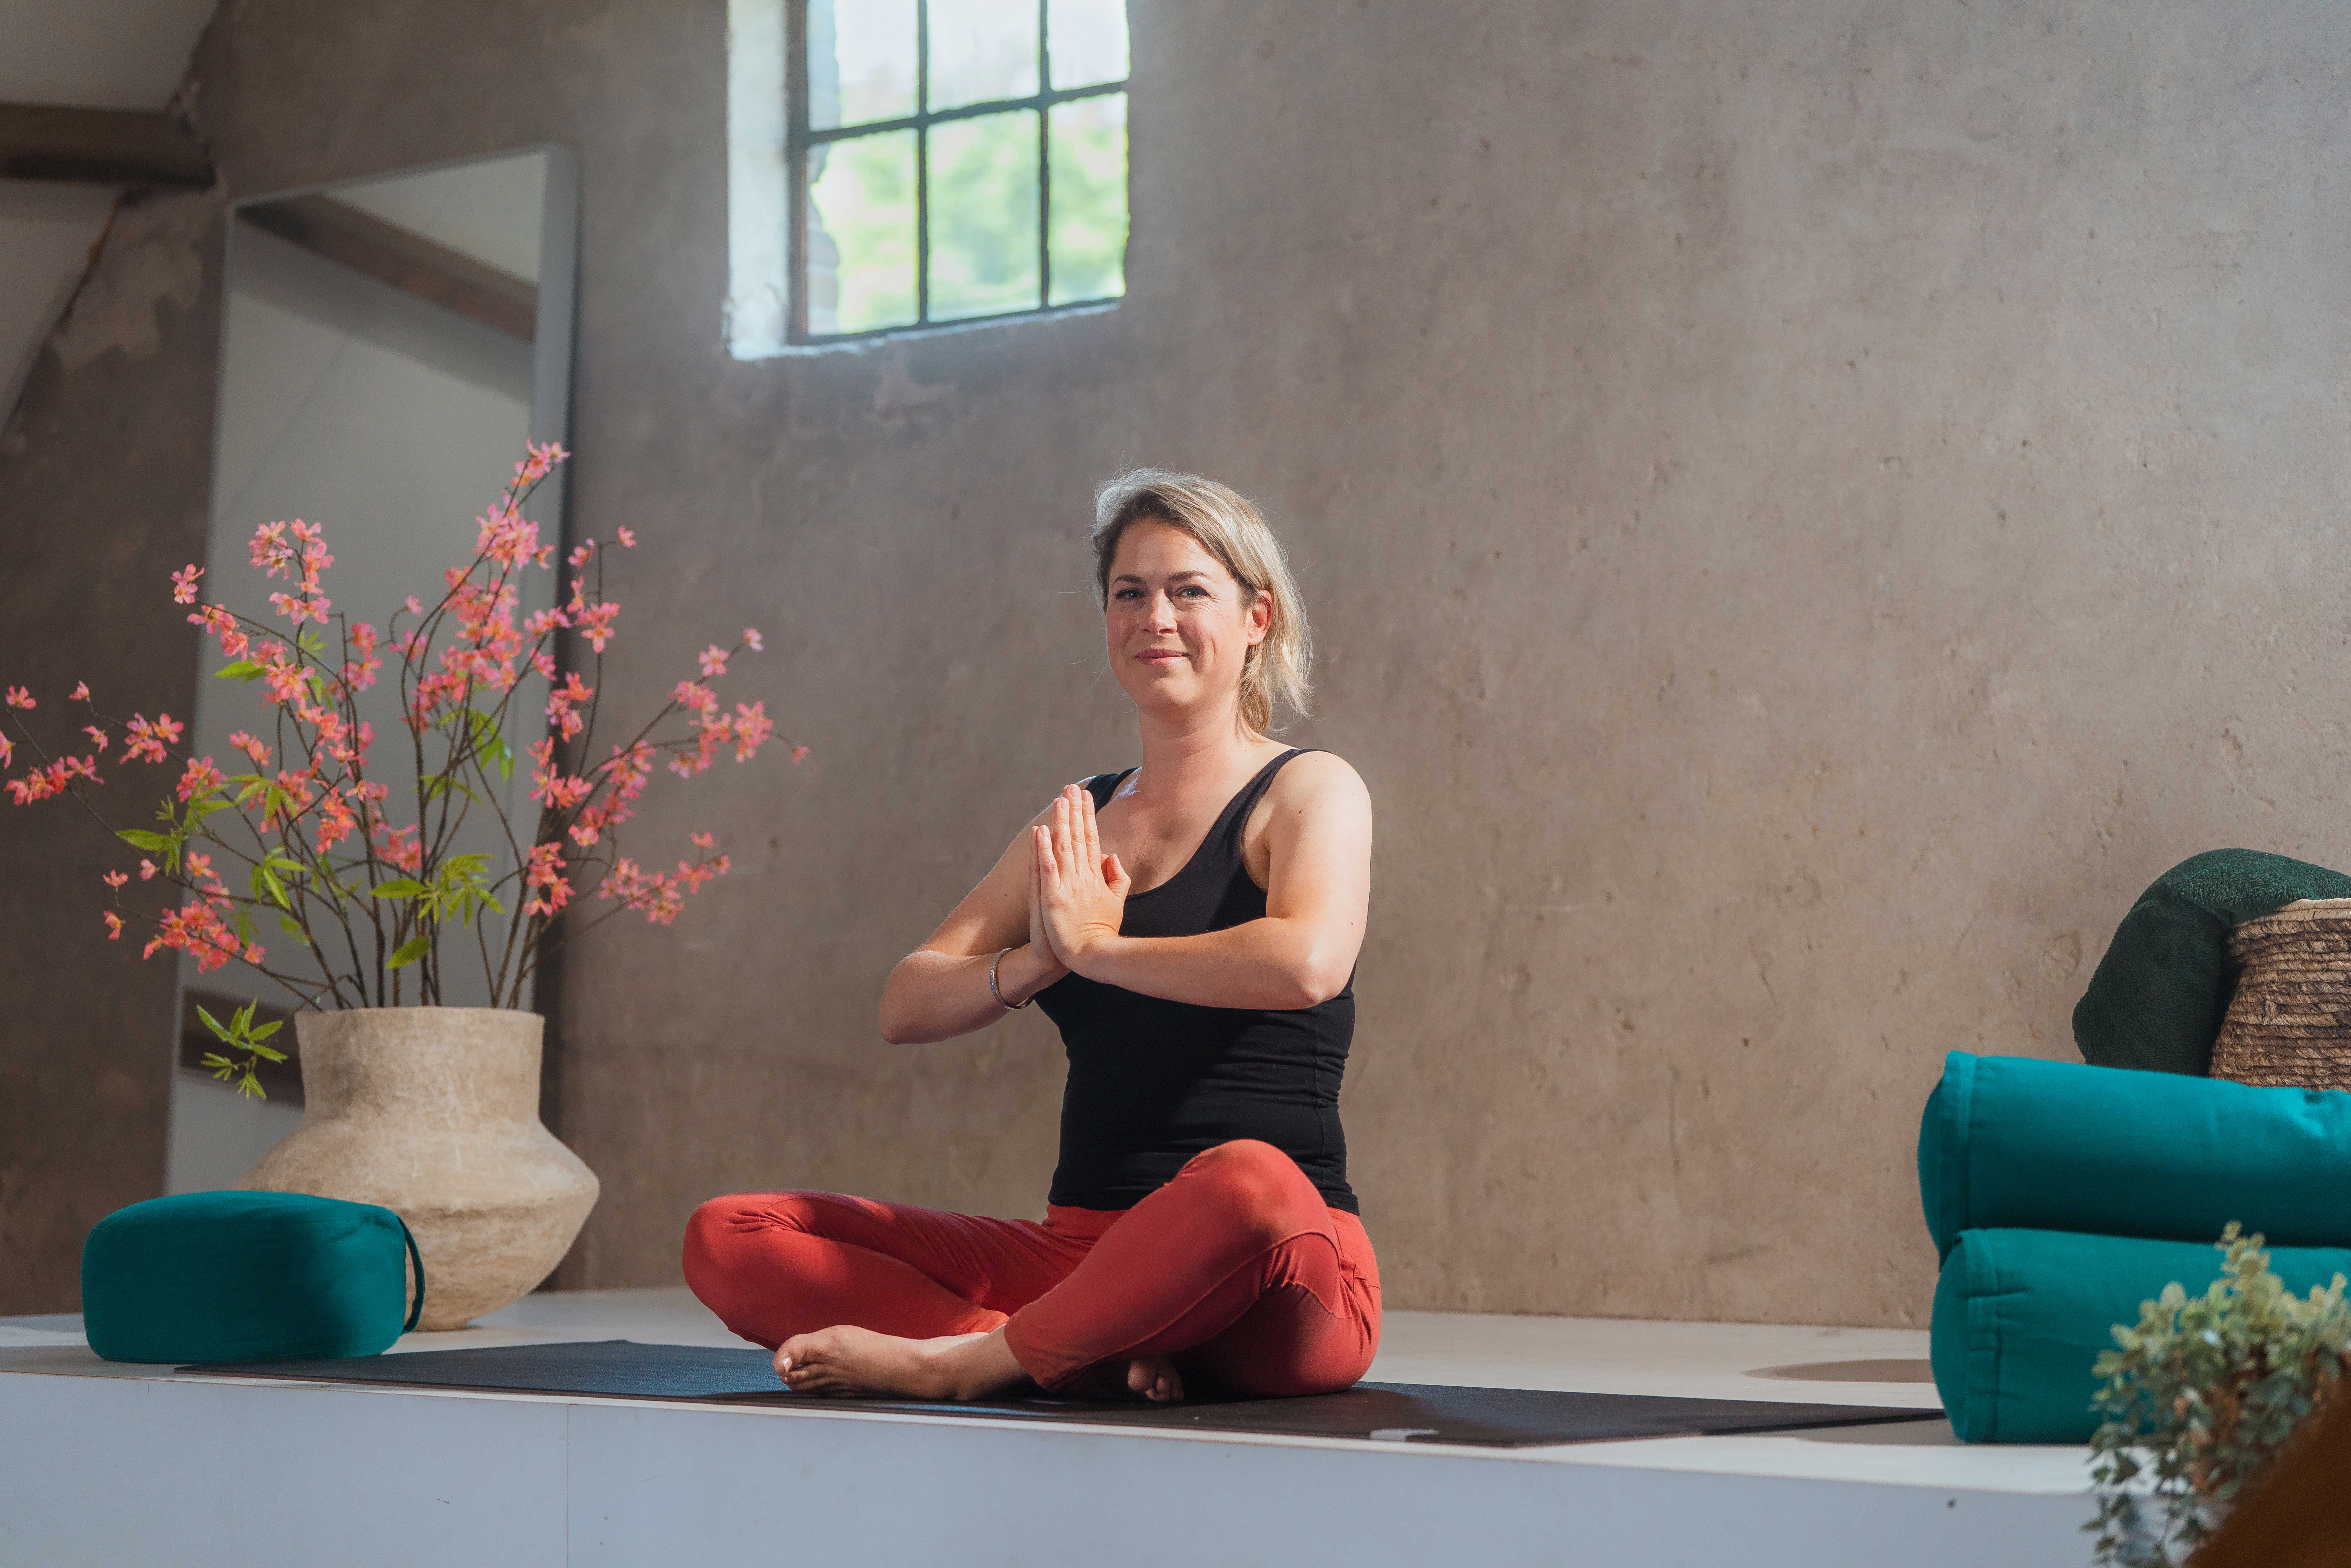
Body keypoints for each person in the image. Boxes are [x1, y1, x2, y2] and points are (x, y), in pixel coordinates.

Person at [683, 471, 1377, 1404]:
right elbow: (907, 1001)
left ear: (1257, 617)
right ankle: (1058, 1350)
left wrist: (1100, 953)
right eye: (1129, 593)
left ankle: (972, 1366)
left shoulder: (1308, 789)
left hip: (1273, 1266)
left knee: (1252, 1180)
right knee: (731, 1232)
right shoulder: (1080, 820)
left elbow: (1306, 964)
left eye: (1188, 591)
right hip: (1081, 1255)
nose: (1155, 617)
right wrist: (1038, 960)